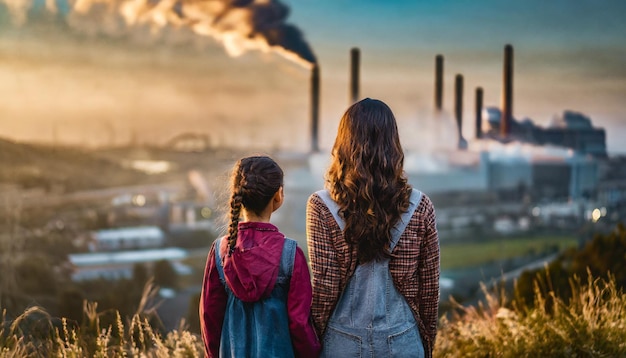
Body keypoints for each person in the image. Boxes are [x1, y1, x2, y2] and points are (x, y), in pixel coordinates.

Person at [306, 98, 440, 358]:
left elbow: (325, 288)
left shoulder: (321, 206)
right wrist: (426, 344)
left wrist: (313, 343)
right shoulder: (420, 206)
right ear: (393, 145)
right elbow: (429, 291)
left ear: (343, 144)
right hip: (403, 339)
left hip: (341, 341)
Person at [200, 155, 320, 358]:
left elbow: (210, 318)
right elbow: (300, 324)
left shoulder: (219, 252)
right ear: (278, 196)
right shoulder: (291, 255)